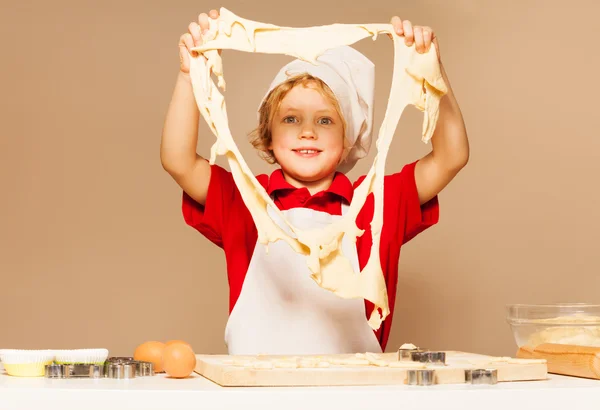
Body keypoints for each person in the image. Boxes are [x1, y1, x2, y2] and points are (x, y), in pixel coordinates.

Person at [161, 9, 469, 355]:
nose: (307, 131)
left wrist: (431, 72)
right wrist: (190, 76)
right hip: (257, 392)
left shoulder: (376, 203)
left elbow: (450, 157)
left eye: (325, 120)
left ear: (347, 139)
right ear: (268, 136)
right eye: (291, 118)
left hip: (353, 392)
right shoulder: (247, 200)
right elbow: (179, 160)